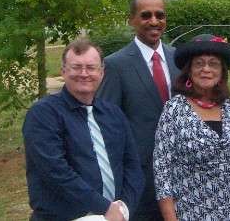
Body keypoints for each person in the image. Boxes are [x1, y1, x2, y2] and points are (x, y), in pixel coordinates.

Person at [23, 38, 144, 221]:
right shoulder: (43, 114)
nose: (84, 73)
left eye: (91, 67)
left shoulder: (114, 114)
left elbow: (133, 166)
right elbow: (55, 171)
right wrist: (104, 207)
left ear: (102, 72)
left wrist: (124, 208)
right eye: (76, 67)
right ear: (63, 71)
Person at [98, 0, 182, 220]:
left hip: (182, 176)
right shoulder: (116, 65)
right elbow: (107, 124)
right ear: (132, 20)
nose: (154, 21)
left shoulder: (180, 60)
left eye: (160, 15)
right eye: (146, 15)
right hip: (140, 180)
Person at [152, 34, 230, 221]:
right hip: (190, 213)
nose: (206, 69)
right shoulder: (174, 109)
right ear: (189, 71)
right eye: (199, 64)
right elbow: (162, 170)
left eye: (213, 63)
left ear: (222, 71)